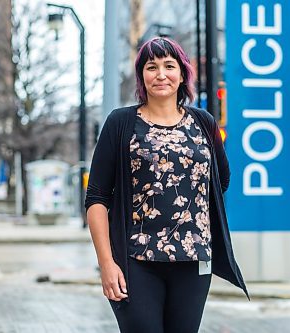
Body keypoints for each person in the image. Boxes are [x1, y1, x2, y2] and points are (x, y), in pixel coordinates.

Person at [85, 37, 248, 333]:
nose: (161, 74)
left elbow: (220, 181)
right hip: (136, 261)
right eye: (152, 66)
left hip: (193, 261)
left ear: (183, 74)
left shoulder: (204, 123)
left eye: (169, 66)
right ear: (141, 76)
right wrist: (106, 263)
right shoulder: (120, 123)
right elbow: (96, 198)